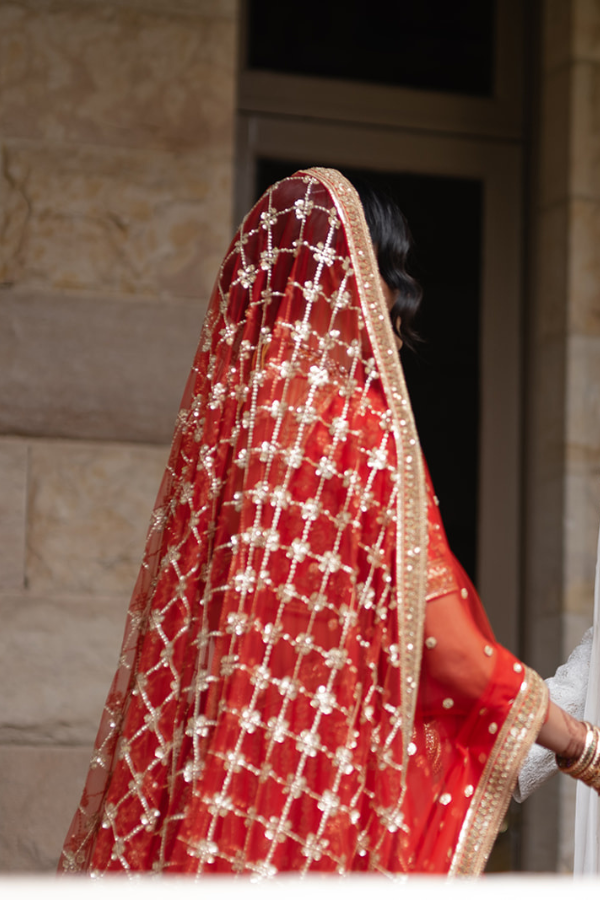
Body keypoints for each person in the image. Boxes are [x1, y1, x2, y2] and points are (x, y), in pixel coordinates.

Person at [59, 168, 600, 877]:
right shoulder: (354, 428)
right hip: (310, 807)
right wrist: (579, 745)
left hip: (211, 789)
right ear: (352, 279)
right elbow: (451, 651)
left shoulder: (237, 435)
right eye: (393, 271)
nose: (402, 298)